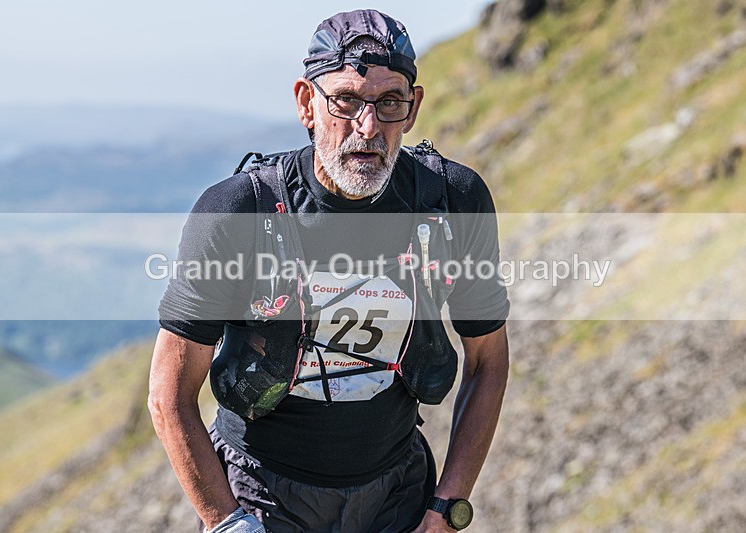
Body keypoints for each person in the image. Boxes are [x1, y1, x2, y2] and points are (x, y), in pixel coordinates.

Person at [149, 9, 510, 533]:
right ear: (306, 103)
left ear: (412, 109)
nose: (368, 127)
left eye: (389, 102)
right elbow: (169, 394)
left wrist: (446, 510)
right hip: (261, 496)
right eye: (345, 100)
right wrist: (227, 522)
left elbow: (488, 361)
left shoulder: (452, 200)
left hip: (398, 495)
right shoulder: (237, 212)